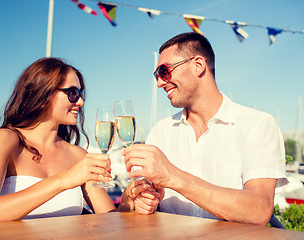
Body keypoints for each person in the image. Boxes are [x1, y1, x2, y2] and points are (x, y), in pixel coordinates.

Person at [0, 57, 160, 225]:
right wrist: (63, 180)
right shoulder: (7, 140)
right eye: (72, 93)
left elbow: (109, 221)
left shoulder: (78, 156)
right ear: (43, 92)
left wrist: (127, 201)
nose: (80, 102)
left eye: (80, 94)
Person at [123, 32, 287, 226]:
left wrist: (172, 176)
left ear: (198, 65)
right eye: (157, 75)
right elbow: (148, 198)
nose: (159, 82)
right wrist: (145, 201)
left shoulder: (257, 124)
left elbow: (259, 210)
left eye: (164, 71)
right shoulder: (160, 132)